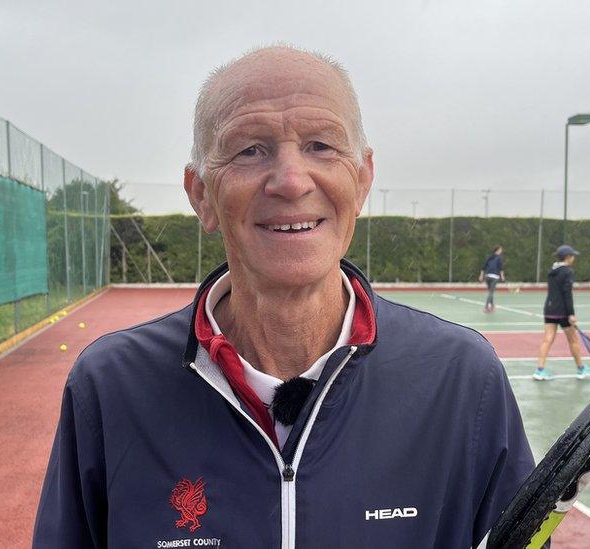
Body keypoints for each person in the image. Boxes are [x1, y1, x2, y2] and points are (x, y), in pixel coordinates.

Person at [33, 45, 534, 548]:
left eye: (321, 145)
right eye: (250, 149)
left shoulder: (463, 379)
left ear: (362, 181)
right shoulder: (110, 386)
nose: (292, 181)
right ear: (201, 195)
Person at [533, 245, 590, 381]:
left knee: (547, 339)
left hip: (549, 309)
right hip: (562, 312)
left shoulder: (552, 270)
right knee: (573, 340)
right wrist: (571, 314)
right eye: (573, 256)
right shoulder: (567, 272)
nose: (574, 258)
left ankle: (539, 370)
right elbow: (567, 293)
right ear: (568, 257)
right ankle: (581, 370)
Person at [478, 245, 505, 312]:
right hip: (494, 277)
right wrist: (502, 276)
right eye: (500, 250)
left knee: (490, 292)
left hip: (487, 277)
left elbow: (483, 267)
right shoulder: (499, 258)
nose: (501, 251)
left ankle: (492, 306)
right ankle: (486, 307)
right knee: (491, 293)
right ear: (498, 250)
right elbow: (501, 268)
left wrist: (481, 275)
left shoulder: (490, 257)